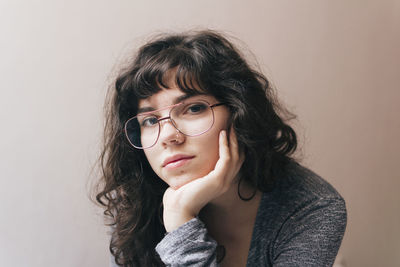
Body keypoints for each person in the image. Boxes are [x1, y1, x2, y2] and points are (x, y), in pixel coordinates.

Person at [95, 30, 347, 267]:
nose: (169, 136)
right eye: (150, 121)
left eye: (193, 108)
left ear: (239, 112)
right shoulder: (136, 203)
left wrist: (181, 223)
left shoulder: (312, 208)